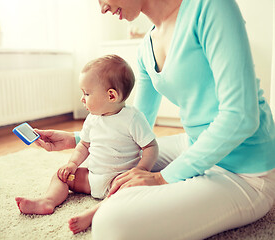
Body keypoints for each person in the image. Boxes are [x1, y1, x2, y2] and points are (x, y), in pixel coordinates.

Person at [31, 0, 275, 239]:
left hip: (245, 172)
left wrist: (161, 178)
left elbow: (241, 116)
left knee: (110, 224)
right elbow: (133, 126)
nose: (102, 7)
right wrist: (75, 139)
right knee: (102, 161)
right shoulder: (146, 48)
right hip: (193, 145)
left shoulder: (211, 6)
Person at [15, 54, 159, 234]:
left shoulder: (133, 118)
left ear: (111, 95)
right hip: (91, 179)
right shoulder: (92, 119)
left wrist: (142, 169)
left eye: (87, 93)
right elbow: (84, 145)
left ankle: (93, 215)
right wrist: (72, 165)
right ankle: (48, 201)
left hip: (117, 180)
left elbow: (151, 147)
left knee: (124, 193)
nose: (82, 98)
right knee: (60, 176)